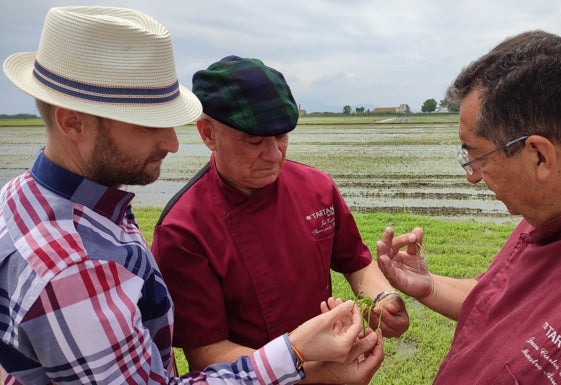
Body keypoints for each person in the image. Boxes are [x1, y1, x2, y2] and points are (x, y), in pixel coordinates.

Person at [0, 6, 383, 385]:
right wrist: (302, 360)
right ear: (73, 122)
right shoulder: (74, 268)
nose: (171, 142)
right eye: (148, 125)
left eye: (281, 137)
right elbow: (199, 356)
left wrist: (376, 300)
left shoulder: (45, 201)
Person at [377, 30, 561, 384]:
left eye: (477, 154)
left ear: (539, 155)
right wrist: (428, 285)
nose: (472, 176)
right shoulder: (553, 207)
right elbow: (502, 305)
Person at [151, 55, 408, 382]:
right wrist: (317, 373)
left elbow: (356, 262)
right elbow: (207, 351)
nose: (275, 156)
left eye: (282, 137)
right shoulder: (183, 229)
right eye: (254, 141)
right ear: (208, 134)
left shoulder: (316, 188)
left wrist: (383, 299)